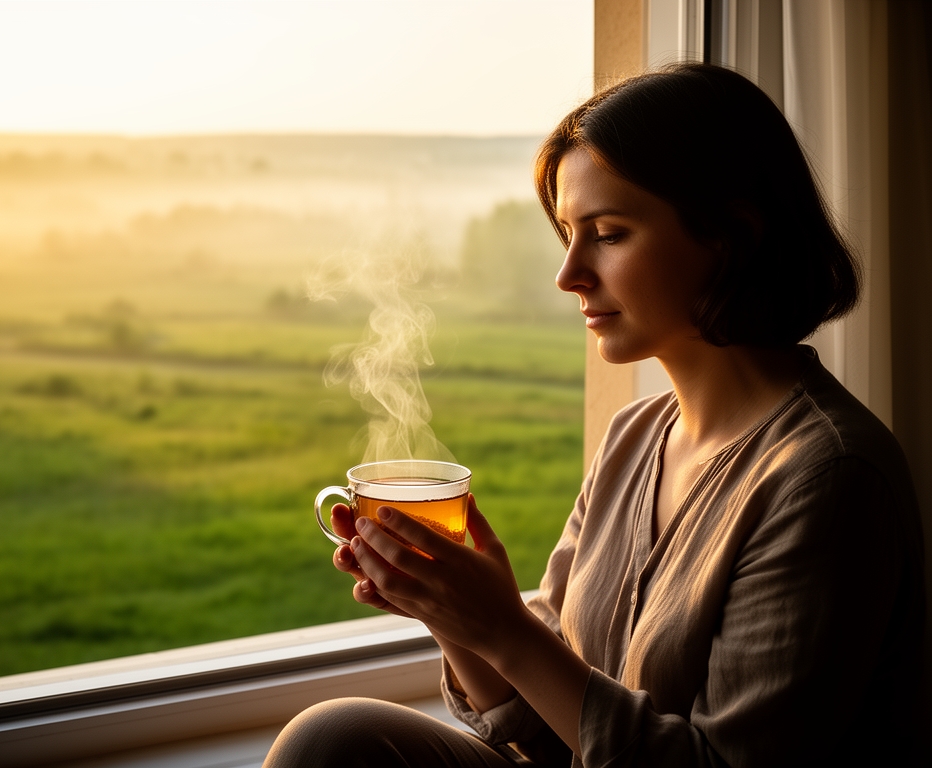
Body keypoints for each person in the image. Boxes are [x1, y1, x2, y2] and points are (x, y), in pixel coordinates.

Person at [263, 62, 926, 768]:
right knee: (334, 735)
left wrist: (505, 627)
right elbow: (544, 728)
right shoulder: (634, 437)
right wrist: (451, 612)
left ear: (731, 238)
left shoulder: (830, 478)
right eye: (568, 235)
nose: (568, 274)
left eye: (607, 234)